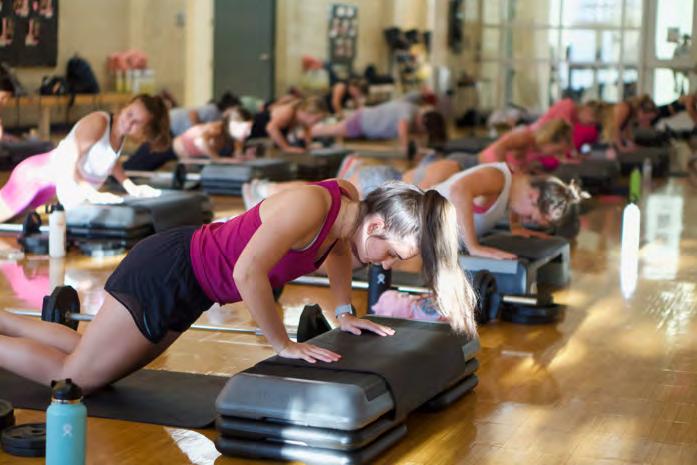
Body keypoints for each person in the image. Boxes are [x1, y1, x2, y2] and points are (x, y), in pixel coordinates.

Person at [0, 180, 475, 393]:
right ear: (376, 227)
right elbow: (248, 272)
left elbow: (337, 252)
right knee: (76, 380)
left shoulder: (348, 209)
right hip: (170, 270)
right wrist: (282, 343)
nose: (387, 265)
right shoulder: (311, 205)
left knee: (93, 363)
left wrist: (344, 312)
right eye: (393, 254)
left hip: (194, 287)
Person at [0, 94, 170, 223]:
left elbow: (111, 161)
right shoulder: (99, 122)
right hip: (35, 176)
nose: (129, 122)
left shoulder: (119, 134)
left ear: (144, 130)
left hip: (50, 187)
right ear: (125, 107)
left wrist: (130, 186)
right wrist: (91, 193)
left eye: (137, 122)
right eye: (130, 114)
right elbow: (68, 161)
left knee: (15, 223)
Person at [432, 162, 587, 259]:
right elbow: (459, 190)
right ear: (533, 196)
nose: (527, 220)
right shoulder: (497, 177)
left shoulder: (512, 186)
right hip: (421, 232)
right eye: (530, 217)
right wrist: (473, 247)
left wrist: (517, 226)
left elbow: (512, 198)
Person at [122, 107, 254, 171]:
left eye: (250, 129)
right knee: (133, 167)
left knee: (140, 168)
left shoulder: (235, 138)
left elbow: (236, 154)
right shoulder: (217, 128)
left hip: (175, 153)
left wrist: (243, 156)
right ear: (233, 125)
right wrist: (217, 159)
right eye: (245, 128)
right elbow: (200, 142)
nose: (248, 133)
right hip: (166, 146)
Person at [310, 97, 447, 154]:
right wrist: (405, 149)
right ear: (423, 120)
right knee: (330, 130)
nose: (420, 131)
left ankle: (309, 132)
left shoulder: (414, 111)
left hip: (364, 120)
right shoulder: (409, 112)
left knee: (332, 130)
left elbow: (416, 136)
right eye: (423, 129)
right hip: (362, 121)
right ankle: (306, 134)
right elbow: (402, 129)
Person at [478, 118, 573, 172]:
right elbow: (499, 148)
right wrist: (506, 173)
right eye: (557, 151)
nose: (555, 155)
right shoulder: (526, 138)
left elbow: (518, 165)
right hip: (479, 165)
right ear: (550, 140)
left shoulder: (536, 150)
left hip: (488, 170)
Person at [249, 96, 327, 154]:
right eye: (317, 120)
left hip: (272, 131)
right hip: (258, 130)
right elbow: (270, 127)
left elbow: (307, 131)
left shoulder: (302, 119)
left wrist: (308, 146)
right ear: (307, 114)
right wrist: (286, 148)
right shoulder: (288, 111)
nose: (317, 123)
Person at [530, 99, 608, 151]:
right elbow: (559, 137)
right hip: (533, 137)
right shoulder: (568, 108)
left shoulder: (573, 118)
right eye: (591, 122)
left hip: (538, 140)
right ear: (587, 111)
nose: (590, 126)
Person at [169, 92, 240, 137]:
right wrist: (199, 132)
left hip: (173, 126)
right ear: (229, 106)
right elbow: (193, 114)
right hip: (172, 124)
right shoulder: (213, 110)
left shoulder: (218, 116)